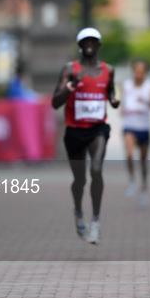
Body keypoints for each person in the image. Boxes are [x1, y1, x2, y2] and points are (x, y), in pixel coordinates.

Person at [51, 27, 120, 245]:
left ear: (98, 45)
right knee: (79, 180)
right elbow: (55, 103)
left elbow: (110, 94)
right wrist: (70, 87)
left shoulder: (108, 70)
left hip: (98, 129)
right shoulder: (70, 69)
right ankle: (79, 211)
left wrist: (114, 101)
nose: (89, 44)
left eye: (93, 41)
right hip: (74, 131)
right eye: (85, 41)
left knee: (96, 170)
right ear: (80, 46)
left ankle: (96, 221)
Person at [121, 59, 150, 207]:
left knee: (143, 162)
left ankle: (144, 189)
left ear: (146, 73)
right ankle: (132, 180)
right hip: (129, 125)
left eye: (141, 72)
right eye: (136, 71)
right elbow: (123, 103)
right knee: (130, 154)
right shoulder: (126, 85)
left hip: (144, 127)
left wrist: (148, 101)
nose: (138, 75)